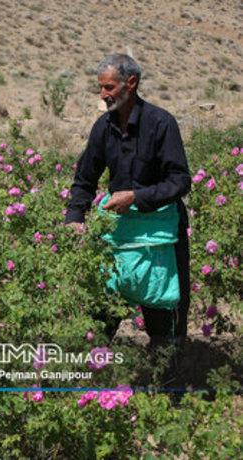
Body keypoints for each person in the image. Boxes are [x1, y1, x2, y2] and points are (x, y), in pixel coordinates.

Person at [65, 54, 191, 348]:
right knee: (101, 313)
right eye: (101, 88)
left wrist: (136, 196)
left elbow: (180, 181)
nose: (103, 95)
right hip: (118, 233)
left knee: (164, 315)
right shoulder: (103, 127)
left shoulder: (161, 123)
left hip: (160, 238)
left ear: (130, 83)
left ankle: (168, 386)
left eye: (109, 88)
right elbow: (85, 179)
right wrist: (74, 218)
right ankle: (93, 381)